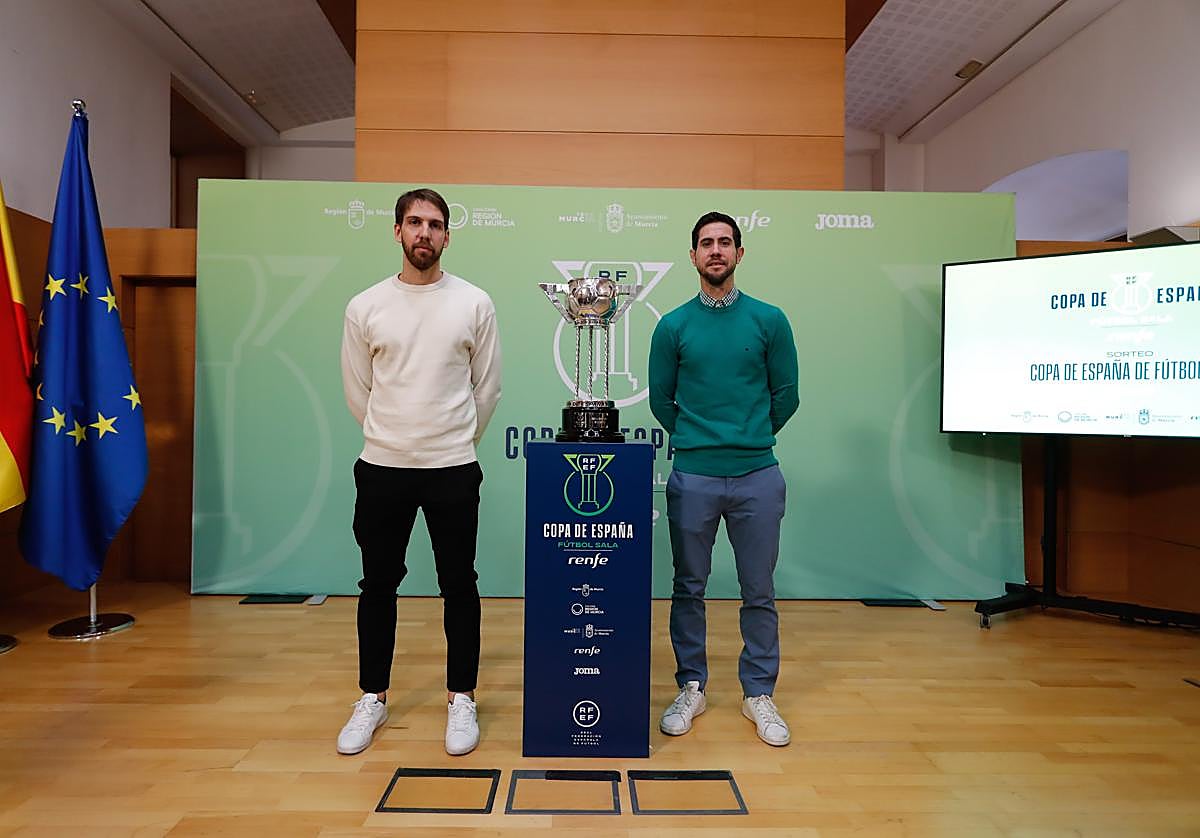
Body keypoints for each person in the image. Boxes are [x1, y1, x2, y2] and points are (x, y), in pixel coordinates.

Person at [337, 188, 501, 756]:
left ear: (448, 235)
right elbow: (359, 390)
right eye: (414, 223)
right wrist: (395, 436)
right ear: (397, 231)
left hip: (453, 466)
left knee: (460, 585)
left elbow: (488, 386)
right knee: (377, 585)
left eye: (434, 224)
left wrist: (452, 439)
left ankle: (462, 698)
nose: (424, 233)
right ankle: (372, 698)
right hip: (383, 466)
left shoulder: (474, 302)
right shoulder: (365, 306)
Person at [647, 211, 799, 747]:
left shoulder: (770, 320)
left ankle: (758, 691)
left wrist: (749, 435)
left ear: (739, 253)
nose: (716, 250)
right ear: (692, 256)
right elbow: (663, 401)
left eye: (725, 242)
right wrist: (699, 440)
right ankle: (691, 685)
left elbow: (787, 395)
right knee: (688, 588)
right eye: (706, 243)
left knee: (759, 590)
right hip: (693, 475)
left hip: (758, 474)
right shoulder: (673, 326)